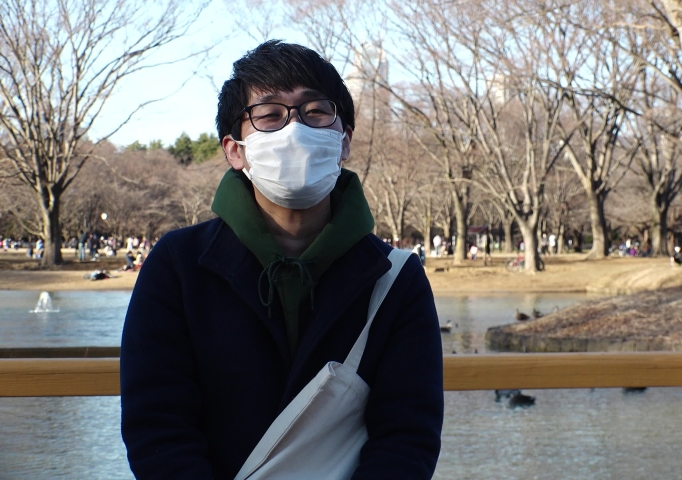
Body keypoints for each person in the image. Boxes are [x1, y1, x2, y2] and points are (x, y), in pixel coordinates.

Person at [120, 41, 443, 479]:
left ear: (343, 141)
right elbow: (158, 429)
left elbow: (407, 437)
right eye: (270, 115)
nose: (295, 128)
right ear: (235, 151)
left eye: (315, 112)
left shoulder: (396, 279)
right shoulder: (177, 266)